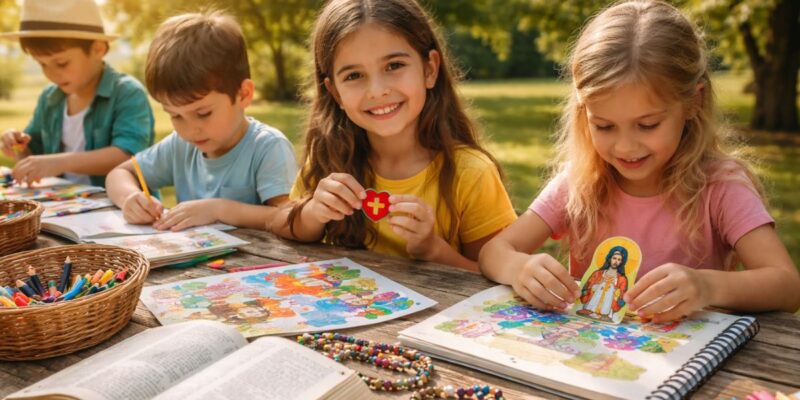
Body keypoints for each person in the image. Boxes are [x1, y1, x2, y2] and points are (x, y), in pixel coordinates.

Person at [479, 0, 800, 322]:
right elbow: (494, 252)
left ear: (694, 102)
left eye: (647, 125)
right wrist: (519, 268)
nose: (625, 147)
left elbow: (787, 286)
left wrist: (706, 286)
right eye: (604, 126)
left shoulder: (720, 187)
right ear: (583, 113)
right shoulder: (579, 181)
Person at [270, 0, 516, 271]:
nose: (377, 91)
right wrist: (313, 214)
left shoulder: (471, 174)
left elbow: (500, 275)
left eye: (394, 65)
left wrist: (432, 249)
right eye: (354, 75)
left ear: (430, 69)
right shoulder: (331, 159)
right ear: (335, 92)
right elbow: (281, 222)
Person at [105, 11, 297, 230]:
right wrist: (129, 197)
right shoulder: (180, 145)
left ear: (243, 94)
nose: (189, 131)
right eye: (175, 115)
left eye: (203, 113)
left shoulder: (268, 147)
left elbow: (291, 220)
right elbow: (119, 173)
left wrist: (219, 210)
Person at [0, 0, 154, 186]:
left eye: (62, 63)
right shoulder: (49, 98)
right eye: (42, 64)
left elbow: (128, 156)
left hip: (121, 202)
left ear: (97, 49)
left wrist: (59, 162)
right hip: (65, 201)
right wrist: (17, 145)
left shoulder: (127, 92)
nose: (51, 74)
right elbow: (33, 157)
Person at [577, 246, 629, 321]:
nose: (616, 261)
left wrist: (615, 291)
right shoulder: (598, 273)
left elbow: (622, 296)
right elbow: (587, 287)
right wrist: (597, 284)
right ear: (610, 259)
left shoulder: (622, 279)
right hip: (591, 304)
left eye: (619, 259)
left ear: (621, 262)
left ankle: (605, 314)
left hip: (608, 308)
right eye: (614, 258)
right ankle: (589, 310)